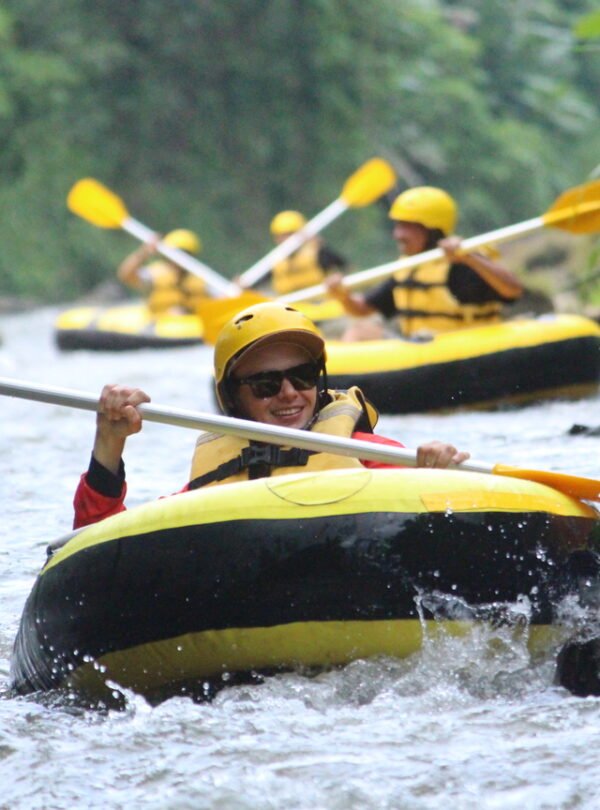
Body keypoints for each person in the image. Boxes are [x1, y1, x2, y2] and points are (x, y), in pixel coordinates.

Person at [73, 302, 470, 529]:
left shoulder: (366, 453)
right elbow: (99, 536)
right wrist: (110, 440)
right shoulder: (207, 486)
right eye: (266, 384)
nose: (289, 393)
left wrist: (440, 471)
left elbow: (447, 510)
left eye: (302, 377)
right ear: (232, 398)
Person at [326, 186, 523, 341]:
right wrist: (342, 296)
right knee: (361, 331)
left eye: (407, 227)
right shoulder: (410, 268)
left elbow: (513, 290)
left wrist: (470, 258)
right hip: (421, 349)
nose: (398, 235)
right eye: (398, 226)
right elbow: (363, 309)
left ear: (432, 230)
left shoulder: (461, 265)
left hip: (462, 354)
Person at [253, 210, 349, 295]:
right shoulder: (275, 261)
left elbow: (345, 269)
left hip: (324, 308)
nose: (285, 239)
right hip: (293, 309)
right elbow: (256, 284)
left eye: (290, 234)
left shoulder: (318, 252)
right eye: (281, 236)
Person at [117, 229, 208, 314]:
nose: (180, 258)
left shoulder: (203, 279)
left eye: (186, 253)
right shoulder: (155, 275)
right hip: (158, 324)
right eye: (177, 253)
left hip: (193, 325)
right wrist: (144, 252)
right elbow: (126, 275)